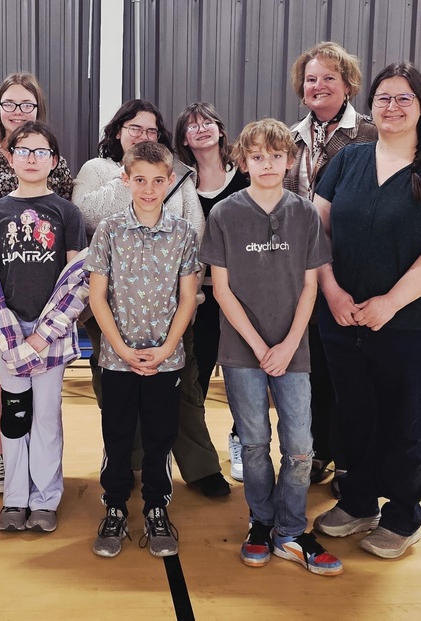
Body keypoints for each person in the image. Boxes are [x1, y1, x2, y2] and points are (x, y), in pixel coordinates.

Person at [312, 62, 421, 559]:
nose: (393, 106)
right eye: (384, 97)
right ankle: (359, 501)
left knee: (404, 419)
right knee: (354, 414)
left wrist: (390, 303)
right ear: (371, 105)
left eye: (404, 98)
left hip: (414, 324)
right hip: (343, 317)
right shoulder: (348, 161)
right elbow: (314, 234)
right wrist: (334, 292)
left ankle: (403, 515)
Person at [199, 119, 342, 576]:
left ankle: (292, 530)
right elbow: (221, 290)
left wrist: (287, 345)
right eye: (257, 156)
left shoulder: (303, 215)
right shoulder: (223, 215)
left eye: (276, 156)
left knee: (300, 446)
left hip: (293, 350)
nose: (267, 164)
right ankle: (260, 522)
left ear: (291, 160)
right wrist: (262, 346)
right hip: (243, 351)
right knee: (256, 442)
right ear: (241, 162)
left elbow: (310, 288)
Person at [74, 99, 227, 498]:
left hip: (172, 304)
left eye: (151, 131)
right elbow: (86, 214)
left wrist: (186, 291)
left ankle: (197, 466)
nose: (143, 136)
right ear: (117, 130)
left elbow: (194, 224)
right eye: (134, 128)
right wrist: (129, 174)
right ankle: (129, 464)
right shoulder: (97, 170)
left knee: (184, 388)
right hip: (115, 304)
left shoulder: (173, 174)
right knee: (118, 392)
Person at [0, 72, 74, 494]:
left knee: (42, 393)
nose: (18, 112)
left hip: (41, 300)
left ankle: (42, 475)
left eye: (27, 105)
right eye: (10, 104)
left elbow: (66, 239)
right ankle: (1, 458)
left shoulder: (56, 167)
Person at [0, 121, 87, 533]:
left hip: (49, 335)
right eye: (23, 150)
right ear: (9, 156)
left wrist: (40, 334)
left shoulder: (67, 212)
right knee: (15, 415)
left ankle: (45, 498)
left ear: (54, 161)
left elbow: (77, 278)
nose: (32, 158)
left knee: (47, 417)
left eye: (41, 152)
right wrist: (10, 334)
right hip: (8, 334)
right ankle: (15, 497)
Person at [86, 141, 198, 558]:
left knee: (159, 436)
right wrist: (122, 349)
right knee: (116, 435)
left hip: (165, 360)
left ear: (170, 181)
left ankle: (155, 508)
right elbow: (98, 297)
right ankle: (114, 505)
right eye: (140, 180)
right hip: (118, 358)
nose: (149, 189)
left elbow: (187, 298)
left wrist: (168, 347)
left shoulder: (183, 233)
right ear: (126, 180)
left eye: (157, 181)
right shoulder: (109, 231)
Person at [285, 42, 378, 492]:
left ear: (349, 85)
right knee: (313, 365)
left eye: (328, 78)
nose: (317, 86)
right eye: (310, 79)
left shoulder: (371, 133)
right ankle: (319, 449)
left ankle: (348, 458)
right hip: (298, 269)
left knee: (349, 367)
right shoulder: (288, 136)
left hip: (350, 267)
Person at [172, 101, 250, 483]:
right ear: (183, 139)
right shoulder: (178, 184)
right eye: (192, 125)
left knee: (242, 373)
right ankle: (195, 451)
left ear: (220, 130)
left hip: (240, 295)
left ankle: (240, 438)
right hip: (199, 297)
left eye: (208, 123)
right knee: (195, 374)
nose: (201, 129)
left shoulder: (247, 177)